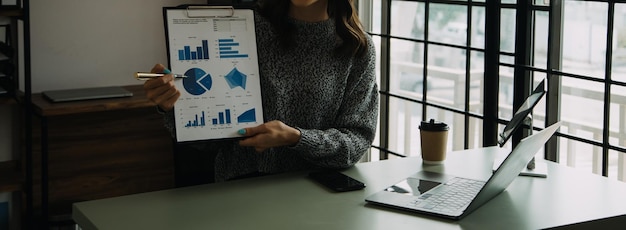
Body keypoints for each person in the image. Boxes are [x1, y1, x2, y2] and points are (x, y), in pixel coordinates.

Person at [143, 0, 378, 182]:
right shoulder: (239, 28)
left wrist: (296, 138)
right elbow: (206, 141)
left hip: (317, 191)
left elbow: (356, 141)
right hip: (239, 190)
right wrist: (174, 107)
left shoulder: (357, 49)